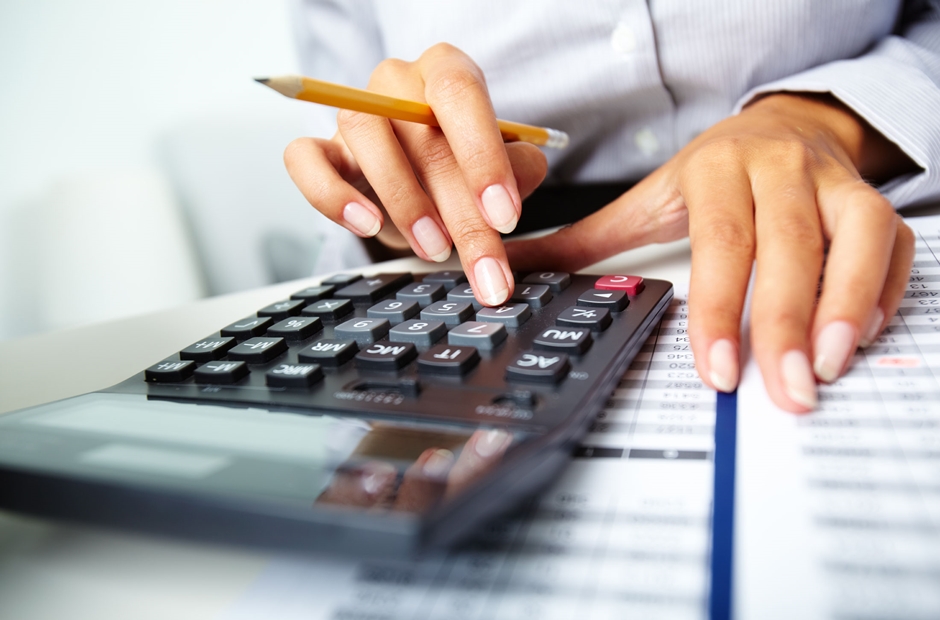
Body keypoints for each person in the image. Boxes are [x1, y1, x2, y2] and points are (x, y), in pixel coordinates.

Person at [283, 0, 940, 412]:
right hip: (486, 276)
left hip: (842, 194)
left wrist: (822, 117)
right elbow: (357, 114)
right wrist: (392, 191)